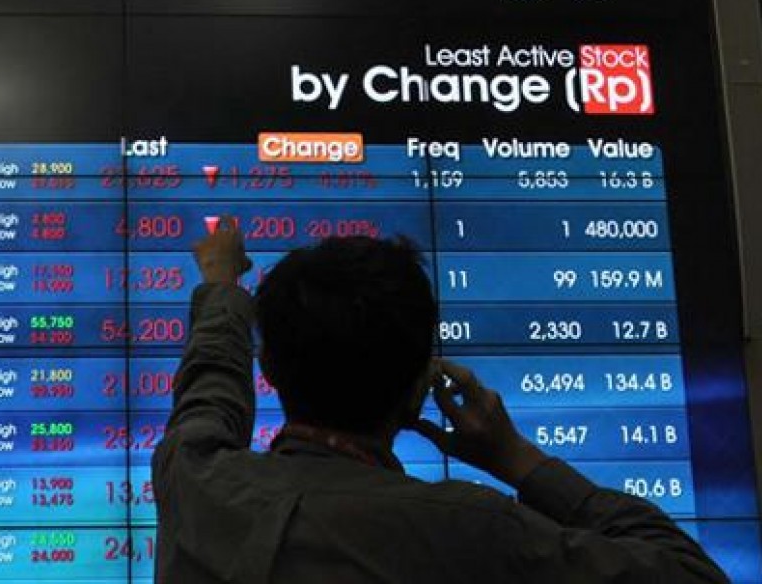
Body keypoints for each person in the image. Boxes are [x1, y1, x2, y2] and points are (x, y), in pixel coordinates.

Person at [152, 222, 728, 583]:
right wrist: (517, 458)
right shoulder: (476, 530)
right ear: (418, 389)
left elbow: (208, 390)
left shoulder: (198, 485)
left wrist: (223, 288)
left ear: (270, 371)